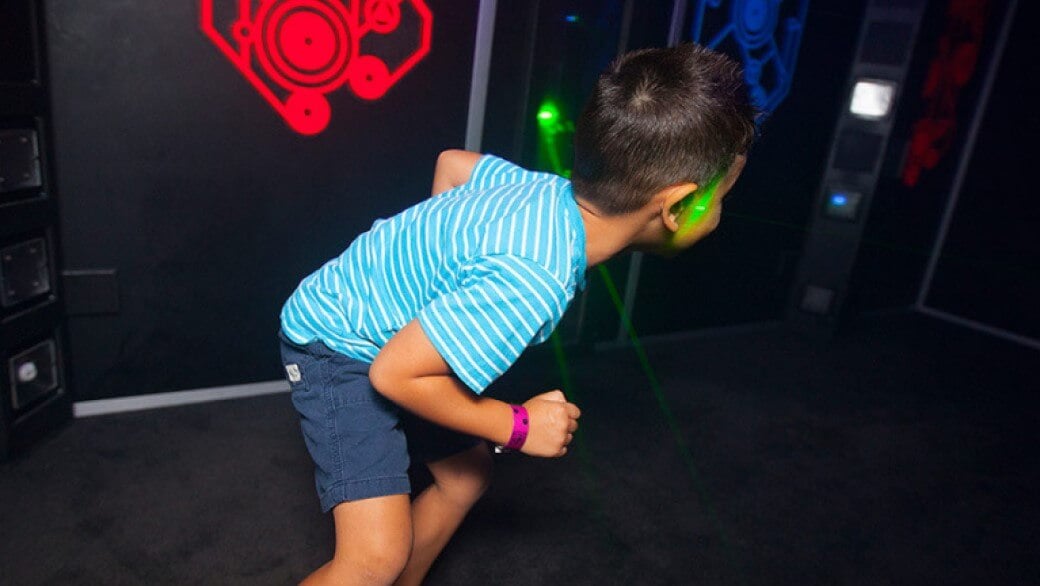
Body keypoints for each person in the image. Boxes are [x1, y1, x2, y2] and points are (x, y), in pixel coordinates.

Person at [278, 42, 756, 585]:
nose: (720, 211)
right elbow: (393, 373)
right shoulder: (536, 278)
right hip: (336, 346)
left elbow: (453, 165)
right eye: (723, 198)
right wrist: (520, 425)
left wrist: (441, 286)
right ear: (676, 206)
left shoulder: (541, 190)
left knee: (464, 478)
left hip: (388, 343)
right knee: (372, 559)